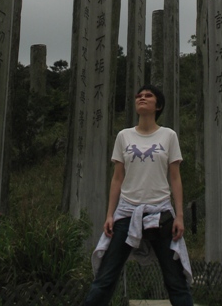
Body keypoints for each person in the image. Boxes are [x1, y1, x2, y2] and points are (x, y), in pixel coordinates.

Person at [83, 85, 193, 306]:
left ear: (158, 105)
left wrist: (179, 216)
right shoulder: (124, 136)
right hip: (126, 211)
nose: (142, 98)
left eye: (148, 96)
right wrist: (110, 214)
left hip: (160, 212)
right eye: (139, 96)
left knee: (174, 279)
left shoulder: (168, 135)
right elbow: (117, 178)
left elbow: (175, 177)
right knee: (106, 277)